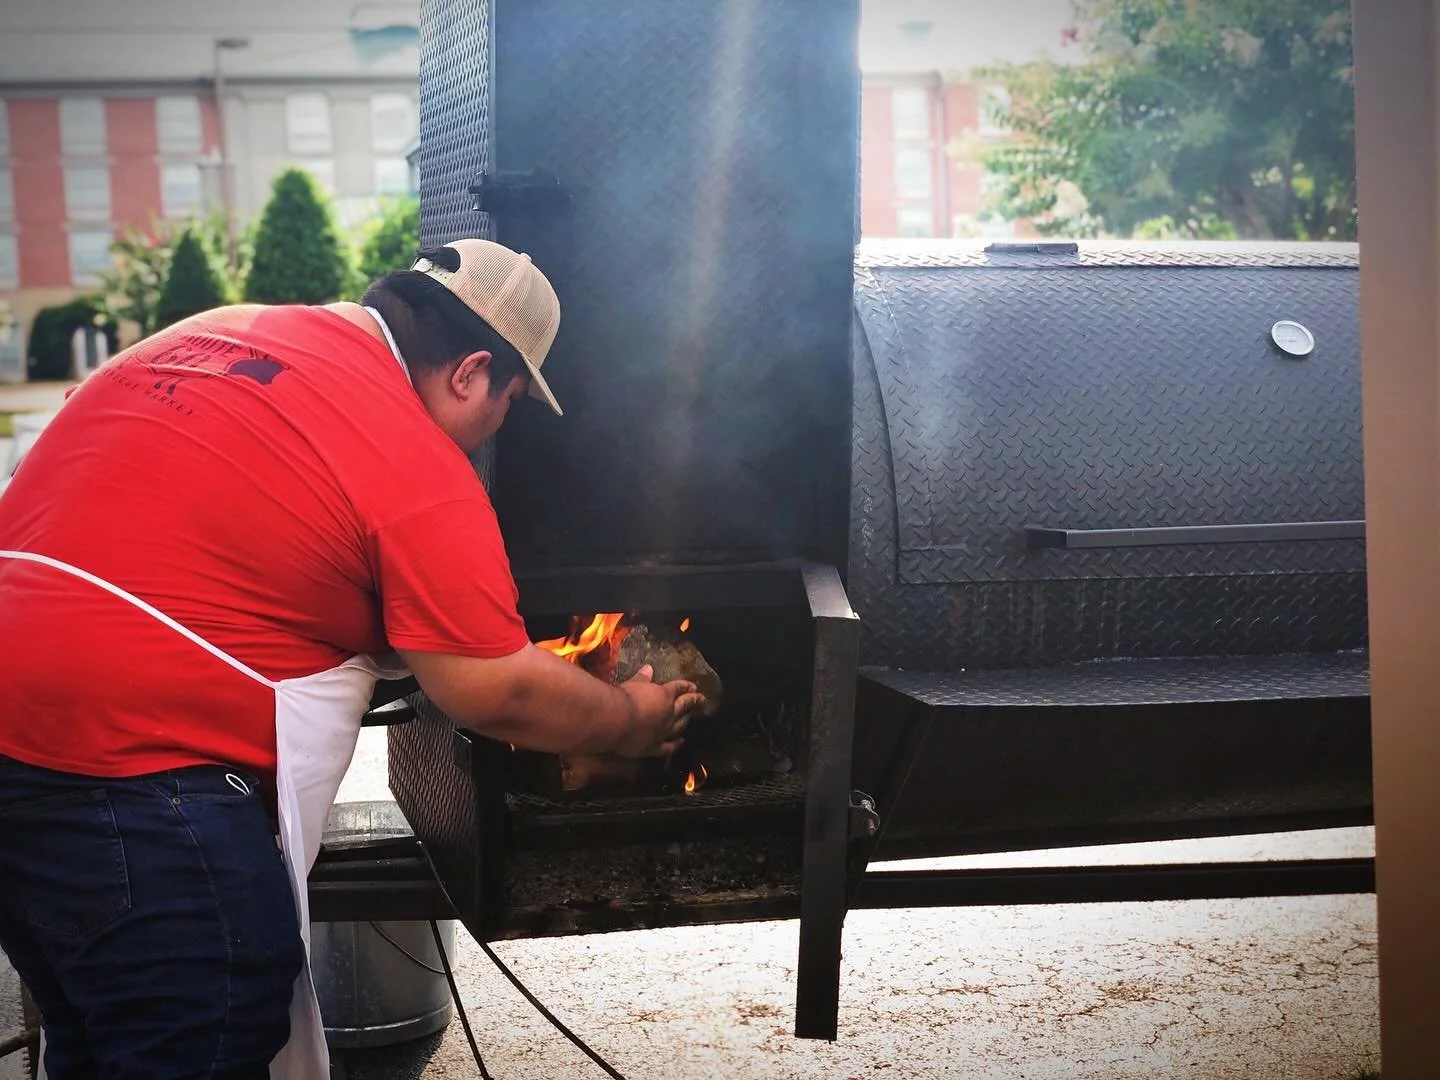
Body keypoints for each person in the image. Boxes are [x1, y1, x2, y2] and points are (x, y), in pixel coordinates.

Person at [0, 238, 705, 1079]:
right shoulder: (414, 459)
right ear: (471, 371)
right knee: (202, 1021)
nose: (496, 428)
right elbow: (498, 688)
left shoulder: (224, 329)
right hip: (128, 760)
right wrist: (631, 720)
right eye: (508, 402)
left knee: (96, 1033)